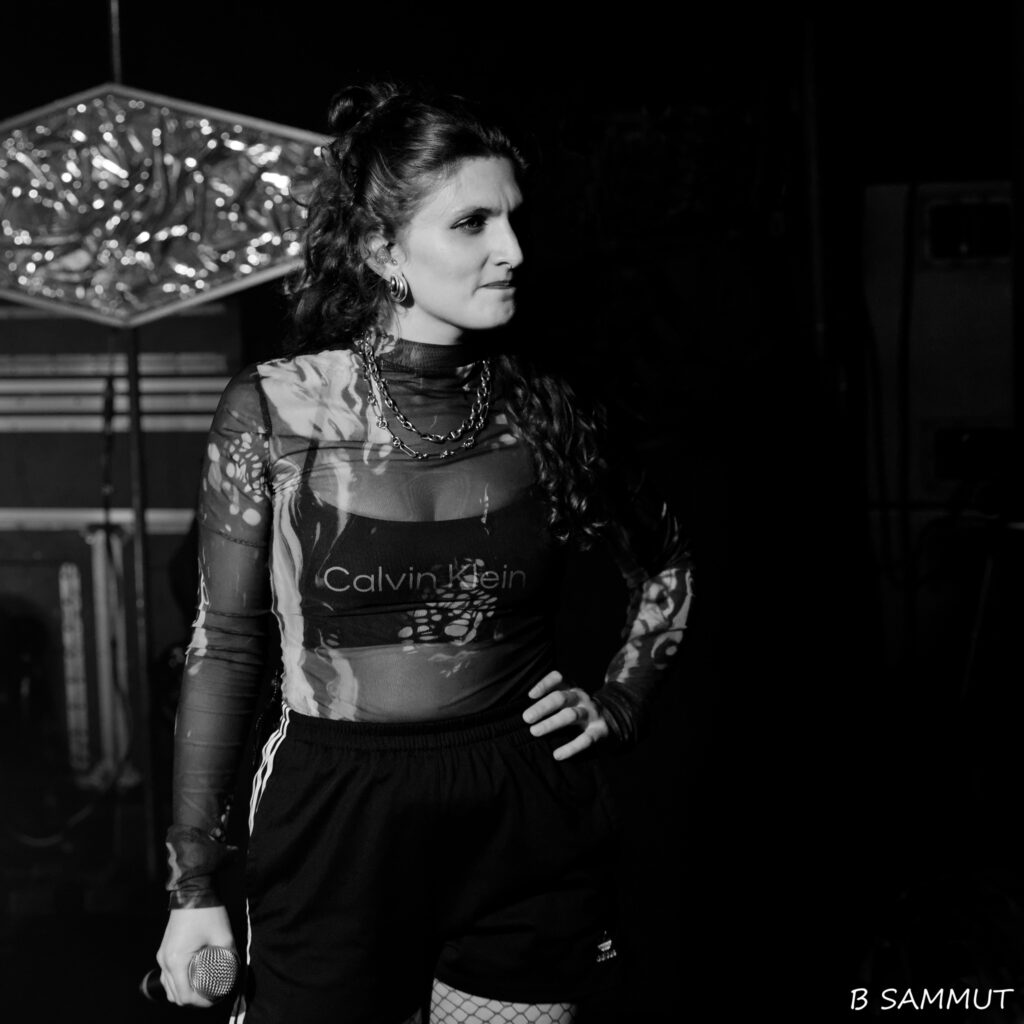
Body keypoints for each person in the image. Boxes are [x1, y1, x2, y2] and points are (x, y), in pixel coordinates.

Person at [155, 79, 694, 1024]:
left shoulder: (548, 407)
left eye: (514, 218)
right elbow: (225, 645)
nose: (512, 250)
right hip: (337, 811)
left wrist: (619, 703)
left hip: (521, 808)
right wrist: (193, 885)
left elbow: (668, 565)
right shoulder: (279, 407)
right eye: (472, 223)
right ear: (382, 250)